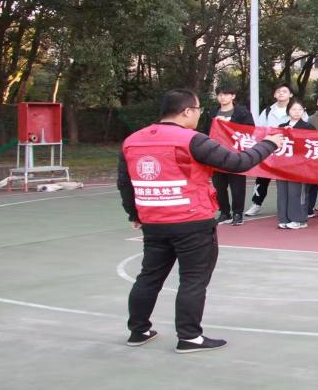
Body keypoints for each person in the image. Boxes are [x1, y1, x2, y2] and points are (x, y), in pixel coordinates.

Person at [119, 88, 283, 353]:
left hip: (154, 221)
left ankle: (138, 331)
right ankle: (189, 336)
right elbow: (238, 162)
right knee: (193, 280)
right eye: (197, 110)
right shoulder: (192, 140)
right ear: (187, 111)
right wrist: (269, 144)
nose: (199, 115)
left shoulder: (132, 141)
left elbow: (125, 183)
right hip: (192, 221)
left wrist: (134, 214)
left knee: (149, 277)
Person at [245, 84, 304, 216]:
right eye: (278, 91)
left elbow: (305, 130)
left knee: (286, 181)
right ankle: (256, 203)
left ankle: (286, 207)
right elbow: (258, 130)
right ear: (274, 94)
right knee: (262, 178)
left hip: (289, 151)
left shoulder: (298, 109)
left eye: (284, 91)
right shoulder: (267, 111)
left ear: (291, 94)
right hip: (269, 148)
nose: (281, 93)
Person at [210, 85, 255, 226]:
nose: (222, 97)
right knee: (219, 186)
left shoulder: (242, 112)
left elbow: (250, 130)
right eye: (219, 94)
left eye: (226, 94)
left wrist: (229, 124)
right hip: (217, 155)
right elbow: (206, 131)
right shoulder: (212, 112)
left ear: (233, 96)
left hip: (236, 155)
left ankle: (237, 213)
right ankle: (224, 212)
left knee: (237, 186)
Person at [275, 100, 315, 230]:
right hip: (283, 165)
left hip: (300, 166)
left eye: (300, 109)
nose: (297, 112)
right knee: (282, 192)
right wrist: (284, 132)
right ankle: (284, 218)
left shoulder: (308, 127)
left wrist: (295, 134)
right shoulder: (281, 126)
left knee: (297, 192)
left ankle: (299, 219)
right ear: (288, 111)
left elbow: (311, 145)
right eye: (293, 109)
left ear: (303, 111)